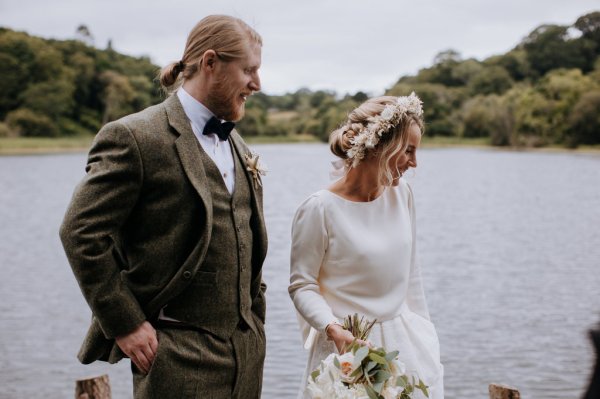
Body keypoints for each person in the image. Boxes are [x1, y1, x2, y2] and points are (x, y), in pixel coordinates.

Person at [60, 15, 268, 399]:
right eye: (249, 70)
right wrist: (125, 323)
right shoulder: (134, 137)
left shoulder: (238, 145)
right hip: (175, 356)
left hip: (246, 357)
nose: (257, 83)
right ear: (210, 63)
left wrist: (255, 324)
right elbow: (80, 232)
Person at [288, 93, 444, 398]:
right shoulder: (319, 209)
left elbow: (413, 277)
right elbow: (302, 285)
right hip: (347, 347)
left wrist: (426, 336)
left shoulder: (404, 195)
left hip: (405, 344)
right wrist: (332, 329)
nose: (415, 163)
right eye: (408, 150)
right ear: (381, 147)